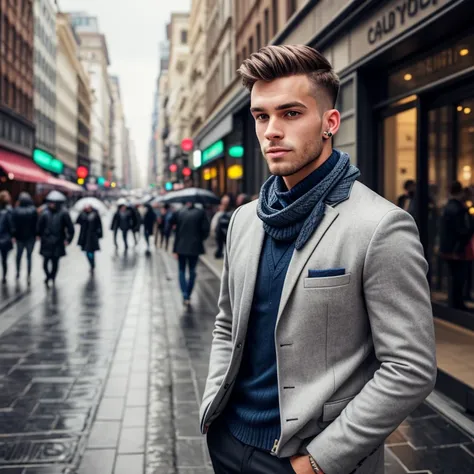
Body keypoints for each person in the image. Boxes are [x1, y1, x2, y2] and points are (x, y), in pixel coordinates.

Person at [200, 45, 436, 474]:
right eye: (261, 116)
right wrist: (214, 405)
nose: (271, 130)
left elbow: (410, 368)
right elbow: (225, 323)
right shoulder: (244, 220)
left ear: (330, 123)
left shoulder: (381, 226)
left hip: (307, 459)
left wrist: (316, 464)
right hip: (228, 442)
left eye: (290, 113)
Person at [439, 181, 474, 310]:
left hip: (450, 247)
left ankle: (454, 302)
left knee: (455, 277)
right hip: (456, 249)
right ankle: (457, 304)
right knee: (459, 277)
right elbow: (462, 231)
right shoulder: (459, 209)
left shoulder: (449, 206)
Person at [173, 201, 210, 307]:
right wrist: (199, 239)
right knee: (192, 271)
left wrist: (174, 249)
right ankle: (188, 293)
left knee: (181, 270)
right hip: (195, 246)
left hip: (181, 247)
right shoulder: (201, 213)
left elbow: (177, 232)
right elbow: (205, 230)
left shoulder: (180, 212)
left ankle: (184, 294)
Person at [37, 198, 75, 288]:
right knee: (45, 262)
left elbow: (70, 228)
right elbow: (39, 226)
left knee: (55, 262)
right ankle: (48, 276)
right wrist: (39, 235)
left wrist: (68, 240)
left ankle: (52, 277)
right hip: (46, 241)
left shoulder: (63, 213)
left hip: (58, 241)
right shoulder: (45, 213)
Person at [12, 192, 38, 285]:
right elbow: (36, 225)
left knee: (19, 256)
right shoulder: (33, 210)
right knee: (29, 257)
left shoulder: (16, 210)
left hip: (19, 238)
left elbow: (13, 225)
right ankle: (28, 274)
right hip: (30, 238)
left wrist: (13, 235)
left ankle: (18, 272)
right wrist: (37, 235)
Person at [76, 205, 103, 274]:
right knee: (87, 252)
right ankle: (92, 263)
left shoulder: (95, 214)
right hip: (84, 236)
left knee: (91, 251)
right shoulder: (83, 214)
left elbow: (99, 225)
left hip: (92, 236)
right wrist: (81, 213)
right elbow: (77, 221)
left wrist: (99, 234)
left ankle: (92, 265)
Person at [0, 191, 14, 284]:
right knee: (4, 258)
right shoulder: (9, 210)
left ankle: (4, 275)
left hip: (4, 237)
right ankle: (4, 275)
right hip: (5, 238)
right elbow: (11, 225)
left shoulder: (8, 210)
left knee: (4, 258)